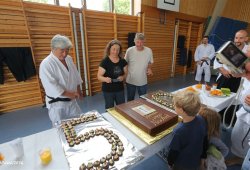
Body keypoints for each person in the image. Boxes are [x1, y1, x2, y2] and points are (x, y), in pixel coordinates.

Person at [39, 34, 83, 126]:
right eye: (62, 50)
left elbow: (75, 75)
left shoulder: (69, 59)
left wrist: (79, 90)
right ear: (53, 48)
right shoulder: (46, 64)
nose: (65, 53)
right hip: (57, 106)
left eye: (67, 50)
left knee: (79, 124)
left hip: (72, 102)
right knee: (61, 130)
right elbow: (52, 86)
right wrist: (70, 94)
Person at [214, 30, 248, 125]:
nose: (238, 40)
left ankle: (229, 120)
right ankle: (217, 118)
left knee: (233, 100)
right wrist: (223, 70)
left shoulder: (248, 51)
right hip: (226, 77)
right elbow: (217, 60)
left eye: (241, 38)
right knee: (221, 96)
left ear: (246, 39)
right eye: (236, 37)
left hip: (239, 80)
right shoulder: (228, 47)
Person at [167, 90, 207, 170]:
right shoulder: (201, 119)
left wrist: (170, 163)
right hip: (196, 160)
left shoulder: (178, 131)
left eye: (175, 105)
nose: (173, 106)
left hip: (181, 164)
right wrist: (203, 156)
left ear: (181, 110)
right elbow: (205, 140)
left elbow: (173, 152)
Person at [226, 59, 250, 166]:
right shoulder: (246, 69)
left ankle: (243, 159)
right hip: (244, 112)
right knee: (236, 135)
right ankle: (239, 157)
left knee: (245, 140)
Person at [97, 40, 127, 109]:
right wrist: (105, 79)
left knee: (122, 108)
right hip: (108, 90)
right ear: (109, 49)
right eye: (113, 49)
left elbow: (126, 73)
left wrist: (123, 77)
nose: (115, 52)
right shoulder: (105, 61)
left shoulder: (123, 61)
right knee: (109, 109)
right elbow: (99, 76)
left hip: (119, 90)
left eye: (117, 50)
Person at [125, 33, 153, 101]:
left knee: (143, 100)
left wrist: (149, 68)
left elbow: (150, 62)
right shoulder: (129, 50)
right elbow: (125, 64)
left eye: (141, 42)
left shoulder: (149, 50)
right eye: (137, 42)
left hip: (142, 81)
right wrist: (124, 75)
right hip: (131, 80)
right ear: (134, 41)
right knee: (130, 100)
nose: (139, 44)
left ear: (144, 42)